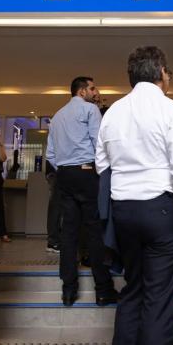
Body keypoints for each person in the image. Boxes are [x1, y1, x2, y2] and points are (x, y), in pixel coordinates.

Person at [96, 46, 173, 345]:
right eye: (169, 73)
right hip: (162, 211)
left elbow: (103, 164)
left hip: (123, 211)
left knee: (133, 290)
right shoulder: (171, 110)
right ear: (161, 73)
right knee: (161, 302)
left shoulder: (113, 111)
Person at [46, 76, 117, 307]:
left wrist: (66, 168)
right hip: (87, 172)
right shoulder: (89, 110)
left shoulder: (56, 116)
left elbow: (50, 155)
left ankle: (68, 291)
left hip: (64, 175)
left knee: (68, 233)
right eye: (93, 88)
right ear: (82, 91)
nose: (96, 92)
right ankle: (103, 290)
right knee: (94, 231)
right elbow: (100, 144)